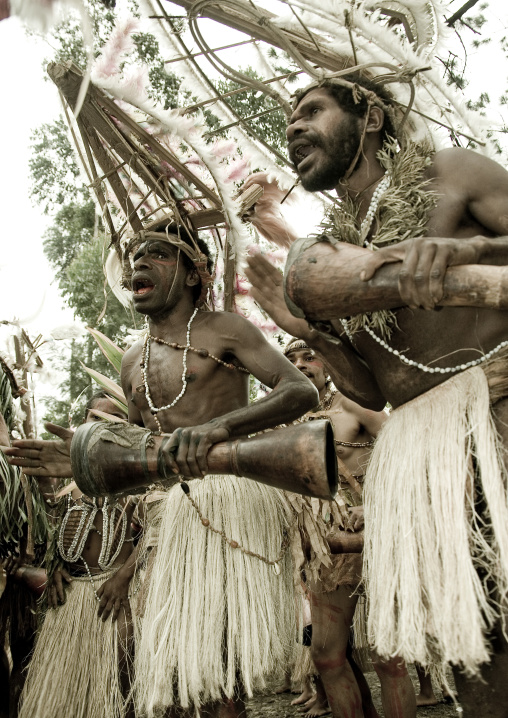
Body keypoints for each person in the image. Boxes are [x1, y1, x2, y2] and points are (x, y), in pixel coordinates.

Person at [245, 70, 508, 716]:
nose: (293, 127)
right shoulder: (337, 251)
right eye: (288, 119)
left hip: (498, 414)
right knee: (476, 643)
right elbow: (371, 382)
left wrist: (459, 250)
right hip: (427, 455)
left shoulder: (451, 172)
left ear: (371, 119)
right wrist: (310, 329)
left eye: (311, 109)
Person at [7, 220, 318, 718]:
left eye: (158, 253)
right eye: (135, 256)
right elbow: (135, 455)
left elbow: (300, 390)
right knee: (166, 679)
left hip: (221, 505)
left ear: (194, 274)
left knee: (216, 677)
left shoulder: (224, 329)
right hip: (161, 518)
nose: (139, 263)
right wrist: (78, 464)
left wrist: (219, 430)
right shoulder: (132, 360)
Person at [284, 338, 415, 718]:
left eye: (310, 356)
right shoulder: (285, 423)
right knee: (325, 653)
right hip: (327, 547)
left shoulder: (354, 405)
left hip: (377, 539)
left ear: (327, 365)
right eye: (291, 359)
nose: (301, 364)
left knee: (389, 655)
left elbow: (406, 451)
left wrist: (374, 506)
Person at [17, 391, 137, 718]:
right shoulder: (70, 479)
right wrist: (55, 566)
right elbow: (55, 527)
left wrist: (123, 578)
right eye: (95, 418)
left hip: (117, 597)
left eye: (115, 420)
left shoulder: (137, 479)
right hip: (73, 599)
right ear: (83, 422)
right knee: (63, 694)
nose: (102, 427)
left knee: (120, 684)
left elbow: (156, 533)